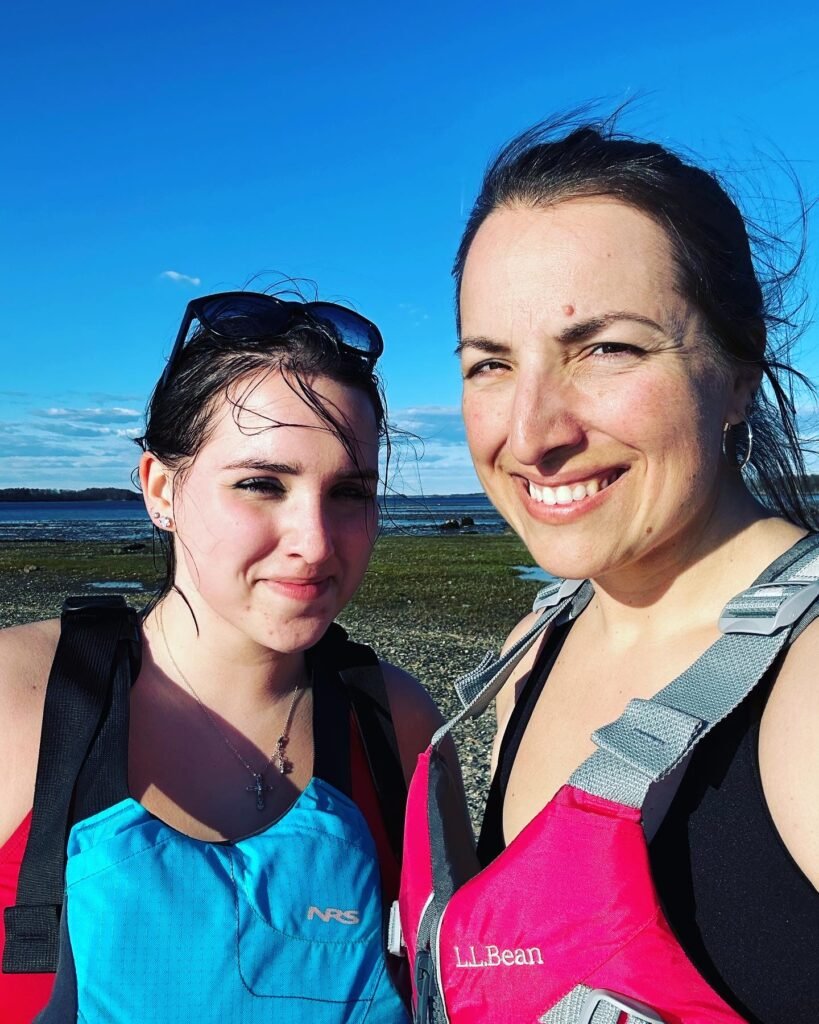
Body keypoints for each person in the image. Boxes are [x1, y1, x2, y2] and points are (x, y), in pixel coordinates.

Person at [399, 118, 819, 1024]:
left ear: (739, 368)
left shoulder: (808, 684)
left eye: (607, 349)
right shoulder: (528, 654)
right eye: (491, 364)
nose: (532, 432)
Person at [0, 291, 442, 1022]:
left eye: (350, 492)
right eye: (261, 484)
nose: (316, 542)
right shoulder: (26, 696)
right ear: (161, 489)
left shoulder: (394, 722)